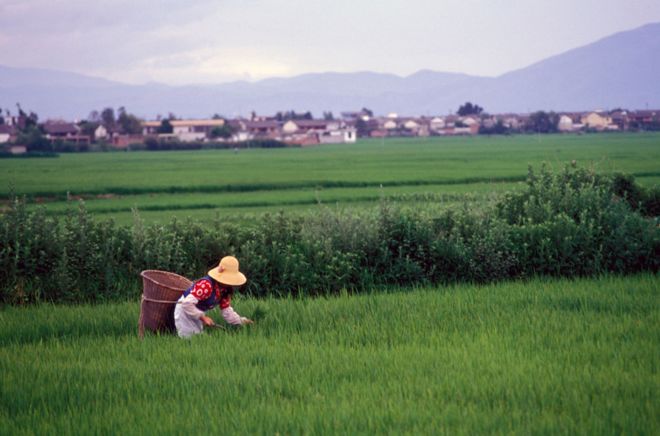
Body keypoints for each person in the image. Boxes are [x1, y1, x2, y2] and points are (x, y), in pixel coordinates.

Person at [174, 256, 253, 338]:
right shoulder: (206, 285)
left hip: (197, 314)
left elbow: (227, 311)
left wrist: (241, 321)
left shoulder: (225, 290)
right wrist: (203, 318)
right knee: (190, 340)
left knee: (198, 339)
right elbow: (186, 304)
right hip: (185, 312)